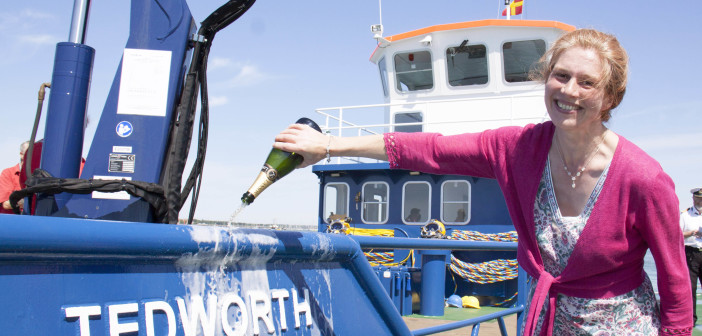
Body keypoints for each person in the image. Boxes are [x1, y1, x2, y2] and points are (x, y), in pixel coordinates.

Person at [273, 29, 692, 335]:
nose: (569, 90)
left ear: (611, 98)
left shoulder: (643, 178)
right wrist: (328, 144)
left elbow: (675, 285)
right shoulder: (518, 148)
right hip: (547, 322)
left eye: (587, 83)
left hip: (622, 327)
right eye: (560, 76)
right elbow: (430, 150)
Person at [681, 187, 702, 325]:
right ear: (693, 198)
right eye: (698, 198)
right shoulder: (685, 215)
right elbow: (677, 234)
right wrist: (692, 233)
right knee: (691, 287)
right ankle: (691, 319)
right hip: (691, 253)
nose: (700, 201)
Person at [0, 141, 29, 214]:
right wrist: (30, 201)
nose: (33, 155)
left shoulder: (38, 176)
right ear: (21, 155)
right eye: (29, 152)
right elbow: (6, 204)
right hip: (12, 222)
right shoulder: (8, 173)